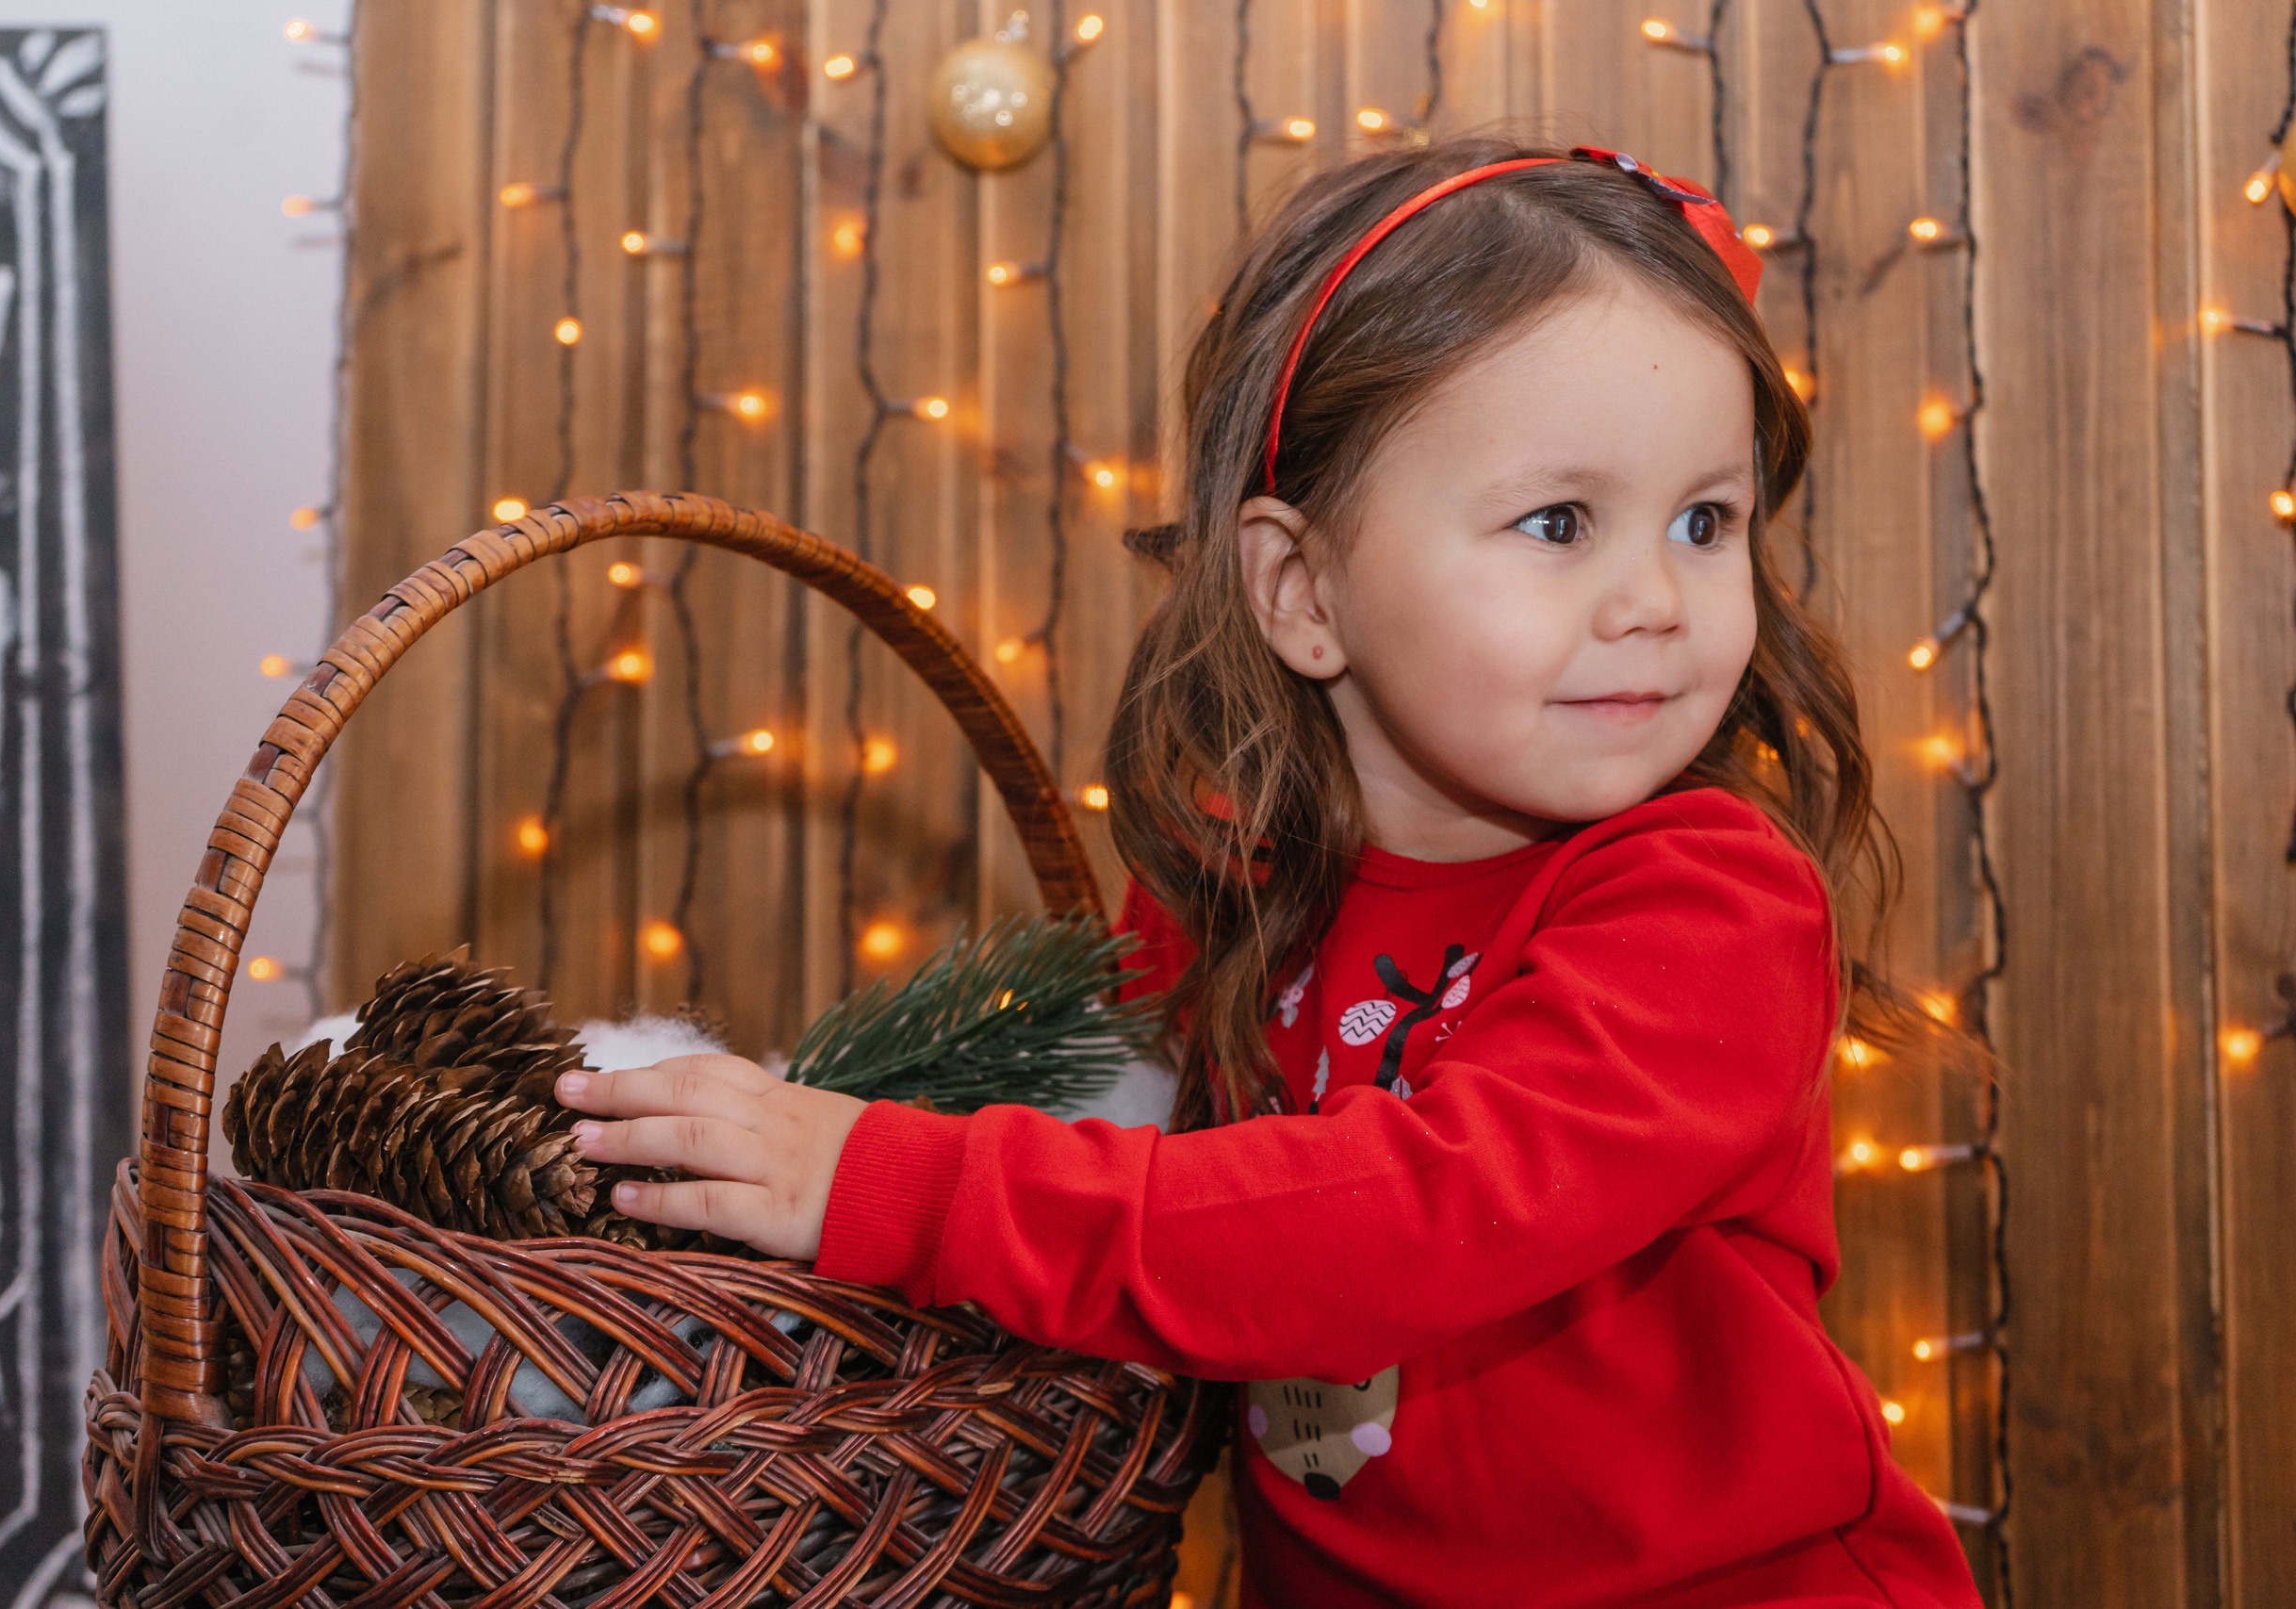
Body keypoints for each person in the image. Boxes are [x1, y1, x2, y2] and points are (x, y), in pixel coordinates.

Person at [555, 134, 1986, 1607]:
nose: (1656, 601)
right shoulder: (1224, 886)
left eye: (1708, 520)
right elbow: (1134, 1167)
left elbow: (1403, 1225)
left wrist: (896, 1188)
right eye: (1559, 523)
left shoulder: (1707, 901)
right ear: (1303, 591)